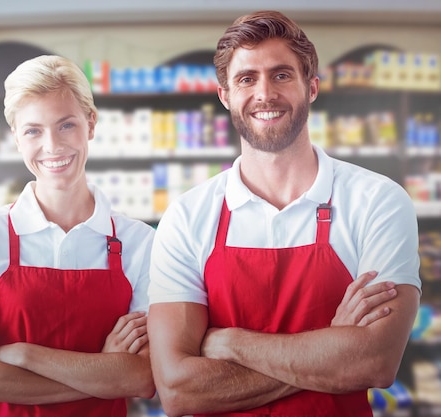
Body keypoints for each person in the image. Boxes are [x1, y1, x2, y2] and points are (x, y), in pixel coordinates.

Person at [147, 10, 421, 417]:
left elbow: (375, 363)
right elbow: (178, 391)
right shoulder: (187, 217)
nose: (265, 94)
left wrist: (231, 344)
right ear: (225, 96)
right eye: (246, 79)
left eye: (281, 75)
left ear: (311, 87)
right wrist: (333, 346)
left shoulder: (378, 201)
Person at [0, 55, 155, 417]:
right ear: (16, 139)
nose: (52, 146)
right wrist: (102, 370)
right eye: (33, 130)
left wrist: (25, 355)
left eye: (66, 125)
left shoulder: (139, 242)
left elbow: (142, 379)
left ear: (91, 123)